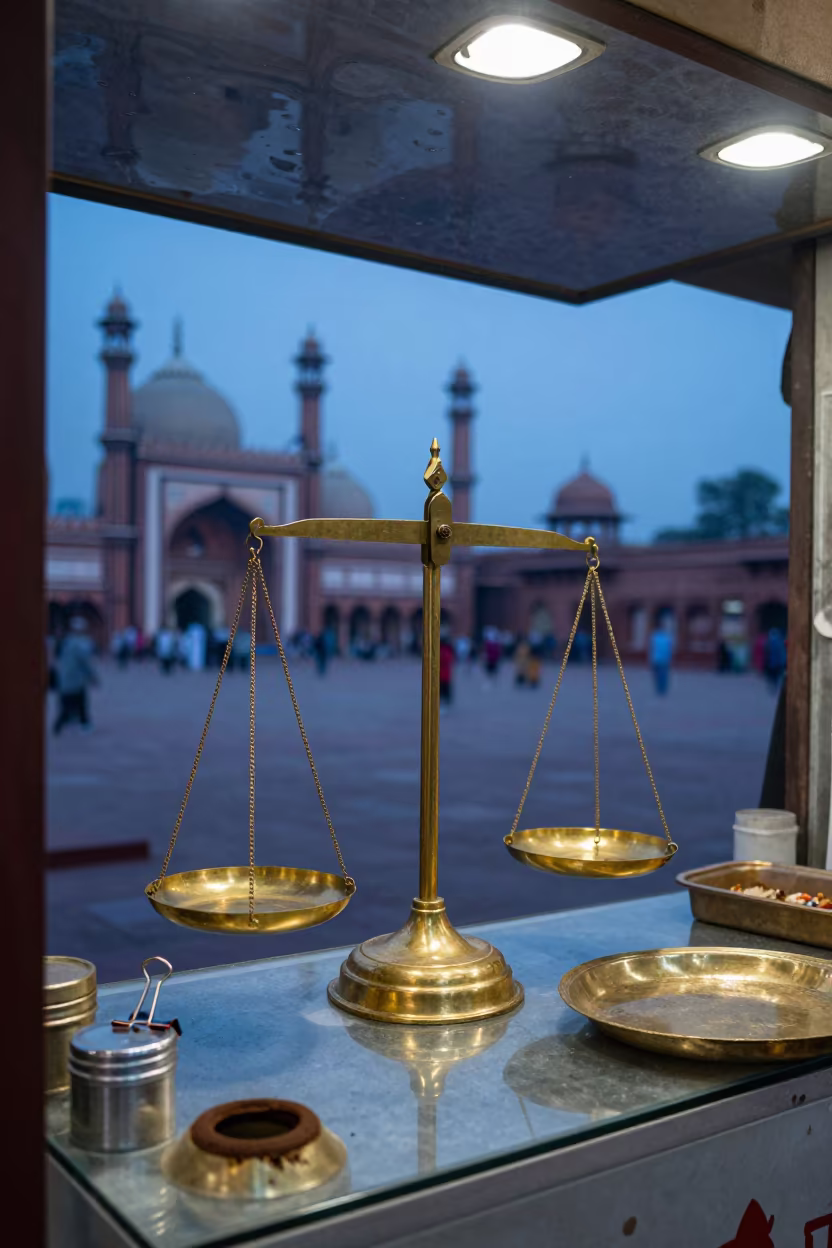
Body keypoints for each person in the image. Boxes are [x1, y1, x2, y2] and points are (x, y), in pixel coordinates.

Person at [53, 616, 97, 734]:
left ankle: (62, 724)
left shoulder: (66, 641)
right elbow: (84, 662)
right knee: (79, 703)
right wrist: (93, 676)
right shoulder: (80, 643)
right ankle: (83, 723)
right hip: (76, 680)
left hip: (66, 678)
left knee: (68, 704)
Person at [648, 623, 674, 696]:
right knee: (663, 675)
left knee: (657, 675)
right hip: (664, 660)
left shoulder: (654, 636)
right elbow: (670, 649)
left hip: (655, 659)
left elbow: (651, 648)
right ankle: (662, 689)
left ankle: (659, 688)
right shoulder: (667, 637)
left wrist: (650, 659)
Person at [763, 627, 787, 692]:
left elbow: (766, 651)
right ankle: (775, 684)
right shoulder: (780, 641)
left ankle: (773, 684)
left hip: (771, 661)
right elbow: (782, 652)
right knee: (776, 674)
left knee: (772, 674)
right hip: (778, 662)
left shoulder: (769, 642)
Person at [439, 634, 455, 709]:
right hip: (444, 674)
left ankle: (445, 704)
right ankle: (443, 703)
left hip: (444, 674)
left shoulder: (445, 650)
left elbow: (446, 660)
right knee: (442, 690)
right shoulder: (447, 650)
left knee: (444, 690)